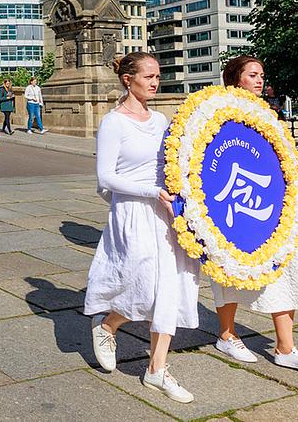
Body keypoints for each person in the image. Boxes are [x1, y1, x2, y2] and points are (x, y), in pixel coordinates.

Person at [85, 52, 199, 404]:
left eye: (157, 76)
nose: (154, 81)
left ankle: (156, 370)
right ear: (127, 79)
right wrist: (152, 192)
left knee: (171, 286)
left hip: (165, 210)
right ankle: (108, 326)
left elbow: (172, 163)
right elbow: (105, 177)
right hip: (133, 210)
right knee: (141, 284)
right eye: (148, 76)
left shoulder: (161, 119)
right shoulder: (113, 123)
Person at [211, 55, 298, 374]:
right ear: (236, 79)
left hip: (271, 204)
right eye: (253, 75)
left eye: (261, 75)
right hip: (234, 200)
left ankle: (285, 347)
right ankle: (227, 334)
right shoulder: (219, 111)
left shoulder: (268, 114)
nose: (260, 80)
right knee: (228, 272)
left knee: (287, 267)